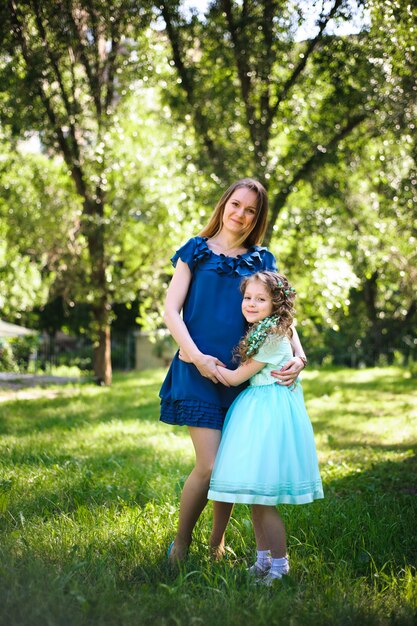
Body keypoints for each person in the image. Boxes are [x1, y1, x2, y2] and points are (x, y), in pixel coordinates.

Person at [159, 178, 307, 563]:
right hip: (198, 369)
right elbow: (171, 310)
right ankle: (181, 545)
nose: (241, 214)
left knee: (229, 466)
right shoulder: (195, 250)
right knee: (208, 466)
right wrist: (194, 356)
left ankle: (216, 545)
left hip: (245, 377)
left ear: (257, 217)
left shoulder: (261, 260)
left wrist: (299, 356)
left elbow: (283, 316)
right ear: (225, 204)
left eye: (251, 210)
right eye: (236, 205)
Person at [207, 271, 323, 585]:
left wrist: (196, 360)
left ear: (276, 303)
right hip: (259, 409)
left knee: (264, 498)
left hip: (268, 416)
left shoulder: (272, 336)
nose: (252, 304)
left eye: (261, 299)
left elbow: (233, 378)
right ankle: (263, 561)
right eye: (248, 298)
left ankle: (280, 565)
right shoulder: (269, 329)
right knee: (255, 495)